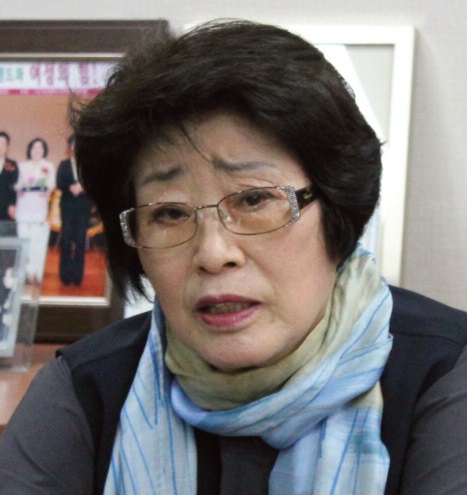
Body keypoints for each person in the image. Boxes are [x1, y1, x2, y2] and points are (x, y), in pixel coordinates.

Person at [0, 20, 467, 495]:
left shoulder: (444, 374)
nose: (213, 254)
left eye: (254, 200)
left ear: (336, 207)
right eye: (170, 213)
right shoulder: (84, 392)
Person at [15, 137, 55, 285]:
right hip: (23, 210)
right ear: (29, 150)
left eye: (40, 148)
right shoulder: (22, 166)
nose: (37, 150)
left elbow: (51, 185)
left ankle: (36, 274)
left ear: (44, 151)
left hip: (39, 211)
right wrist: (21, 186)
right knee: (24, 242)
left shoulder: (48, 166)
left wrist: (45, 189)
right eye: (34, 147)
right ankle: (24, 274)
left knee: (38, 243)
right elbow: (16, 186)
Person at [56, 134, 92, 286]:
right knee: (66, 241)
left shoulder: (88, 164)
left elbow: (93, 182)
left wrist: (82, 187)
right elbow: (59, 182)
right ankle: (65, 276)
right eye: (73, 144)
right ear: (69, 147)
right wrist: (70, 187)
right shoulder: (63, 164)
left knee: (80, 242)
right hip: (67, 207)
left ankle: (77, 277)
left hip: (83, 208)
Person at [0, 131, 18, 221]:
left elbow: (15, 186)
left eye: (3, 144)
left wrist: (12, 204)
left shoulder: (11, 164)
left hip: (6, 207)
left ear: (7, 147)